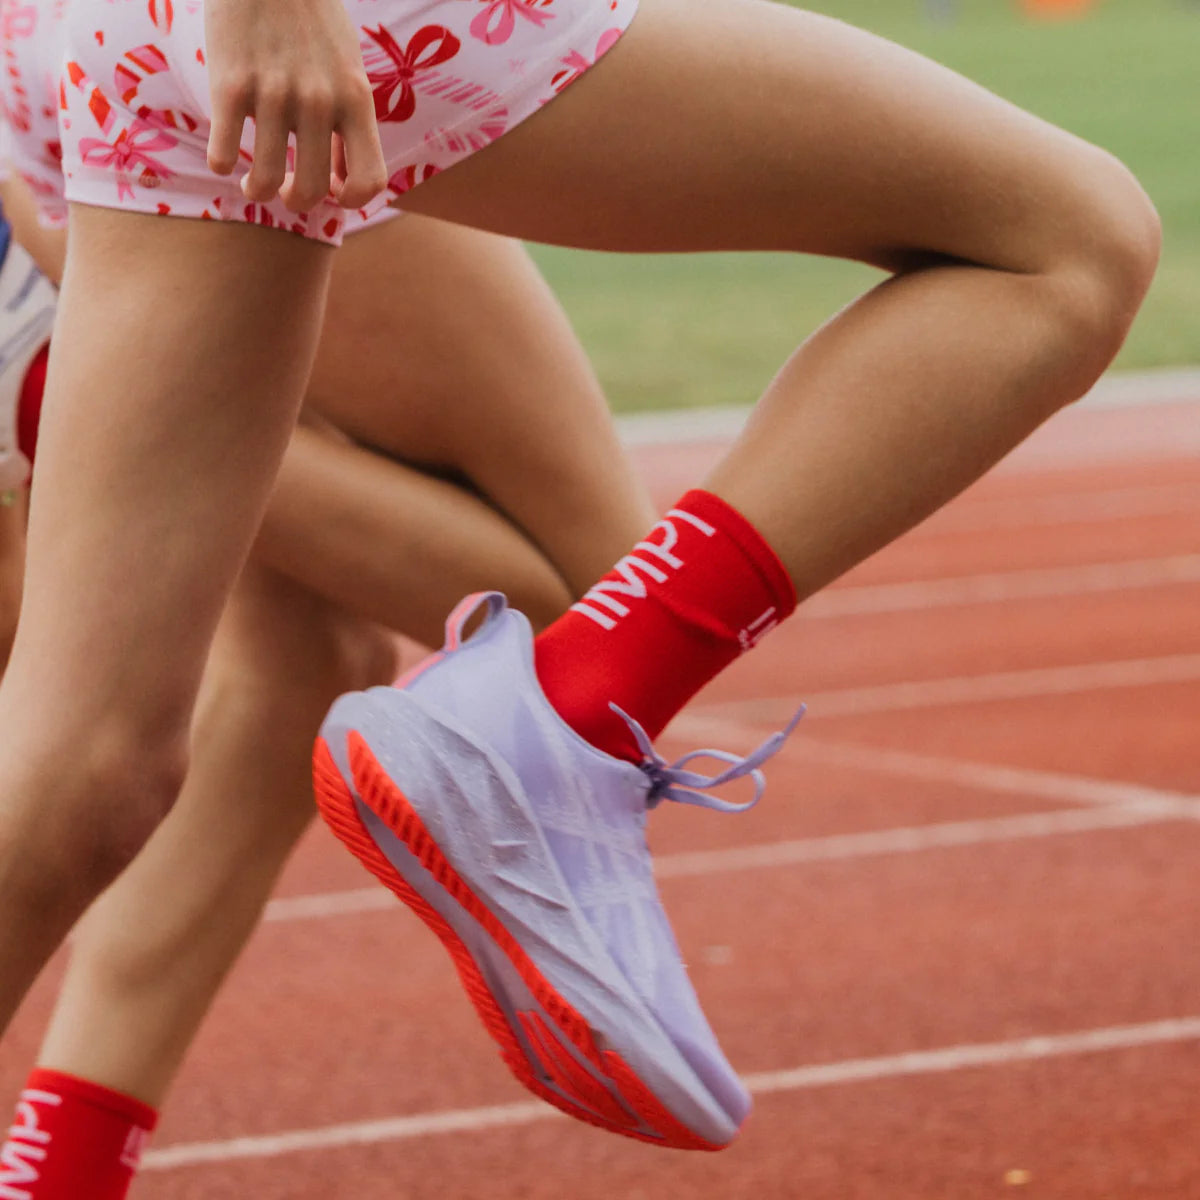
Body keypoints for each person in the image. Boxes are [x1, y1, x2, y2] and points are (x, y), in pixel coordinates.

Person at [0, 0, 1159, 1156]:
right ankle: (559, 720)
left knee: (106, 757)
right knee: (1067, 242)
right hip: (303, 31)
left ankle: (62, 1167)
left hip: (108, 50)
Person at [0, 167, 654, 1199]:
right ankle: (91, 399)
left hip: (113, 122)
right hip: (237, 93)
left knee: (298, 668)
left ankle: (59, 1177)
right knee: (613, 621)